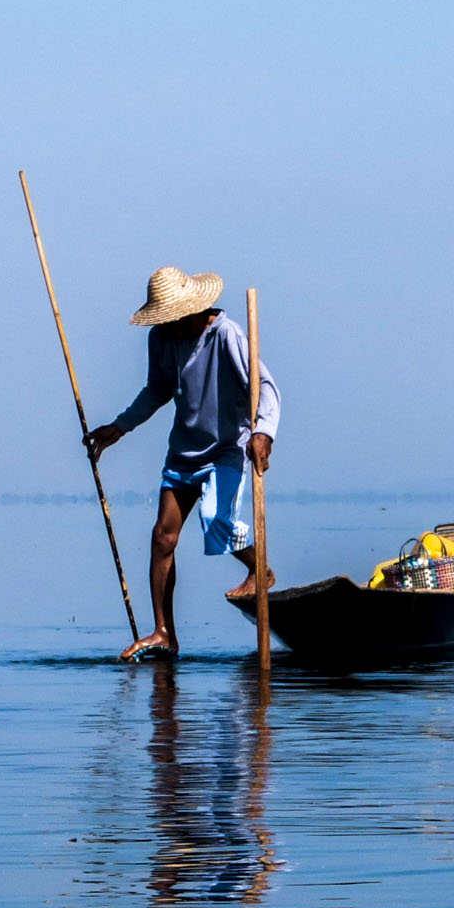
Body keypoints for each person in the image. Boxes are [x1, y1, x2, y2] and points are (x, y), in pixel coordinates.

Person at [85, 267, 280, 661]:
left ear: (194, 309)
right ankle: (163, 633)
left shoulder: (225, 335)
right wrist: (119, 427)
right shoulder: (161, 338)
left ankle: (261, 570)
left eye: (173, 318)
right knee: (163, 538)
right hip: (184, 453)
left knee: (215, 518)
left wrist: (263, 432)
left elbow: (266, 388)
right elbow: (157, 388)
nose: (167, 326)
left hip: (227, 448)